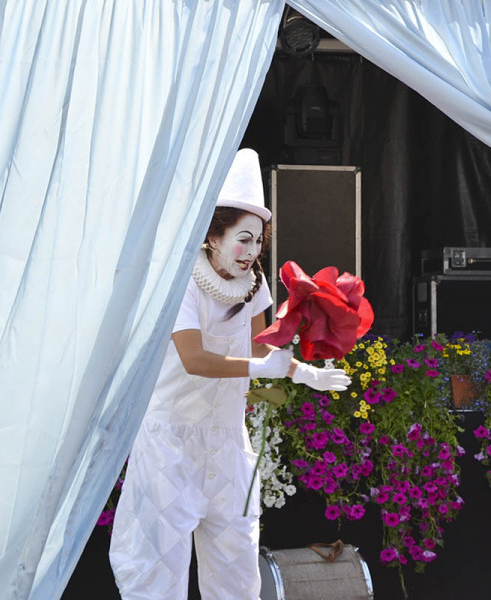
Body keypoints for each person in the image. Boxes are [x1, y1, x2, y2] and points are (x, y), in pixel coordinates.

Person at [109, 149, 350, 599]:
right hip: (170, 444)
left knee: (237, 569)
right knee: (157, 574)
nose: (252, 251)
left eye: (258, 241)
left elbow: (264, 349)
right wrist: (259, 367)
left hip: (226, 443)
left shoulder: (253, 285)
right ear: (214, 235)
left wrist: (304, 374)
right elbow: (194, 358)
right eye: (243, 238)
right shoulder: (181, 281)